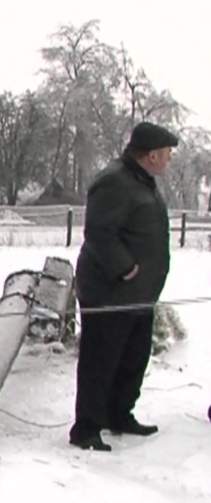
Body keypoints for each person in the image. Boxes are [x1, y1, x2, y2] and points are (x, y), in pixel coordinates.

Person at [69, 121, 179, 452]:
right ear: (152, 155)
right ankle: (86, 428)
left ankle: (119, 414)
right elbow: (100, 234)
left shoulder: (142, 181)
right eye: (168, 154)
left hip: (139, 296)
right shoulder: (114, 181)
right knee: (100, 361)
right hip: (110, 294)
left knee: (132, 358)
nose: (170, 160)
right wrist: (126, 268)